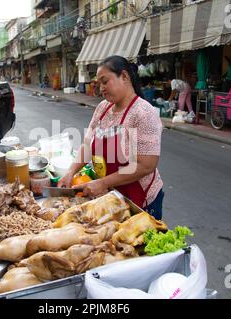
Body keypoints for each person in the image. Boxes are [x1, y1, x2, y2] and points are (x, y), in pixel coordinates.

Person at [58, 55, 165, 220]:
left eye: (104, 81)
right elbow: (87, 144)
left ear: (124, 76)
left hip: (140, 200)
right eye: (99, 83)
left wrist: (102, 183)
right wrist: (71, 172)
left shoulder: (144, 113)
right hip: (112, 195)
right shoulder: (103, 108)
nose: (101, 88)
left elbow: (146, 165)